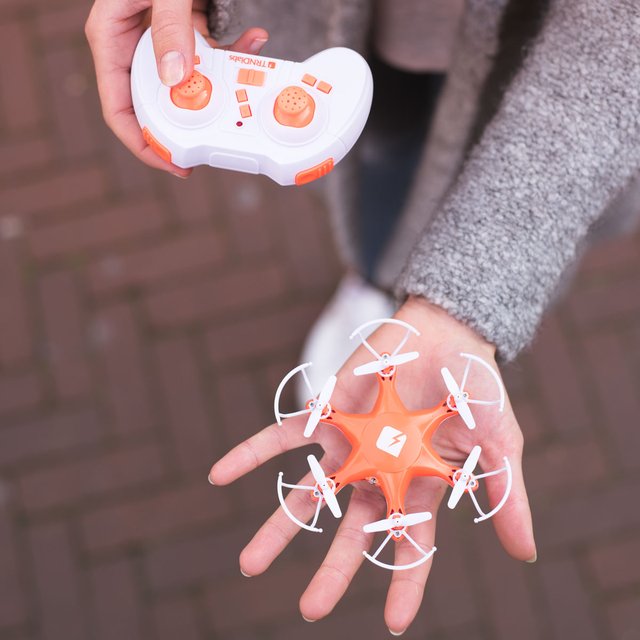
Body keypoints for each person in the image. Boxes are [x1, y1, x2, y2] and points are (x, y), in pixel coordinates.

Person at [85, 0, 640, 635]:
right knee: (377, 178)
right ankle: (377, 284)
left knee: (457, 206)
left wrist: (465, 300)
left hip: (551, 72)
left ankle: (405, 303)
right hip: (349, 34)